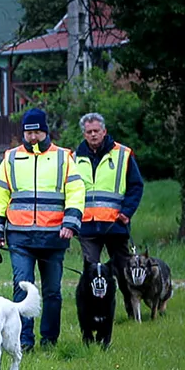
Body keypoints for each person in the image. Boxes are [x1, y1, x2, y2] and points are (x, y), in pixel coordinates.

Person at [0, 107, 85, 349]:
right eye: (28, 133)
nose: (32, 137)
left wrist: (70, 223)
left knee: (52, 292)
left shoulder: (64, 158)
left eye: (37, 132)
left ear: (45, 131)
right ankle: (24, 340)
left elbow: (76, 192)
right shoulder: (10, 158)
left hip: (54, 236)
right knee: (22, 288)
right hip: (20, 236)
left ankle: (49, 340)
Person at [75, 112, 144, 319]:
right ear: (84, 134)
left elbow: (136, 186)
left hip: (115, 224)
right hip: (87, 226)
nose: (93, 135)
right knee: (91, 273)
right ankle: (94, 313)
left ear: (104, 131)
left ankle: (133, 312)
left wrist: (127, 212)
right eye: (89, 132)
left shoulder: (123, 154)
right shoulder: (73, 157)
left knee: (124, 272)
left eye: (97, 131)